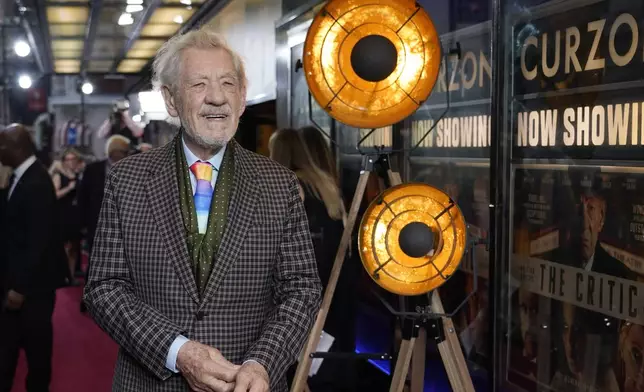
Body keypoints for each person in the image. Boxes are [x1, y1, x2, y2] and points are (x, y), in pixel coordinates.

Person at [83, 26, 322, 392]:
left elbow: (302, 289)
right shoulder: (127, 180)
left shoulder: (279, 184)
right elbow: (104, 287)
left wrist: (262, 363)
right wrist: (177, 351)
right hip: (152, 383)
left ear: (242, 99)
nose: (216, 98)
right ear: (171, 100)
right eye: (198, 85)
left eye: (228, 84)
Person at [269, 128, 356, 391]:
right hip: (337, 292)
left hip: (306, 298)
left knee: (302, 374)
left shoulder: (289, 186)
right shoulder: (326, 187)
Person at [0, 124, 68, 392]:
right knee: (9, 351)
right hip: (20, 285)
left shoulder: (36, 181)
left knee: (37, 353)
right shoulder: (20, 176)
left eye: (2, 145)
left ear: (17, 148)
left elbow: (37, 242)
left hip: (32, 289)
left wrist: (19, 287)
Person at [78, 135, 131, 313]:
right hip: (97, 225)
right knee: (94, 264)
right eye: (124, 151)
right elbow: (83, 198)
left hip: (125, 226)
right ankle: (88, 299)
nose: (127, 154)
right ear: (114, 152)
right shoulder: (93, 170)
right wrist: (84, 224)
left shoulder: (132, 168)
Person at [51, 147, 83, 284]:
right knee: (63, 246)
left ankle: (71, 276)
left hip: (75, 214)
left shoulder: (79, 175)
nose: (70, 162)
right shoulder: (59, 174)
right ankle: (61, 275)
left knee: (74, 247)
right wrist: (68, 188)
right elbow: (54, 195)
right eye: (68, 159)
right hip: (62, 213)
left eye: (73, 159)